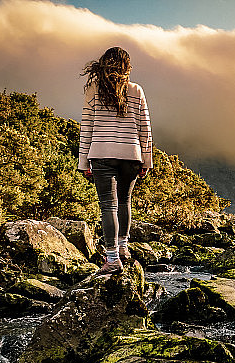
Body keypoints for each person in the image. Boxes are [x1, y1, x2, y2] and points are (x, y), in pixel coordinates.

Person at [78, 46, 153, 275]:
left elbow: (87, 125)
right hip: (131, 155)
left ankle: (111, 259)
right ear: (127, 67)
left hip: (101, 153)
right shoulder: (136, 90)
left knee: (108, 206)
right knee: (124, 202)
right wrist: (146, 160)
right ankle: (124, 249)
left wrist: (83, 162)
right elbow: (144, 127)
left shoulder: (94, 89)